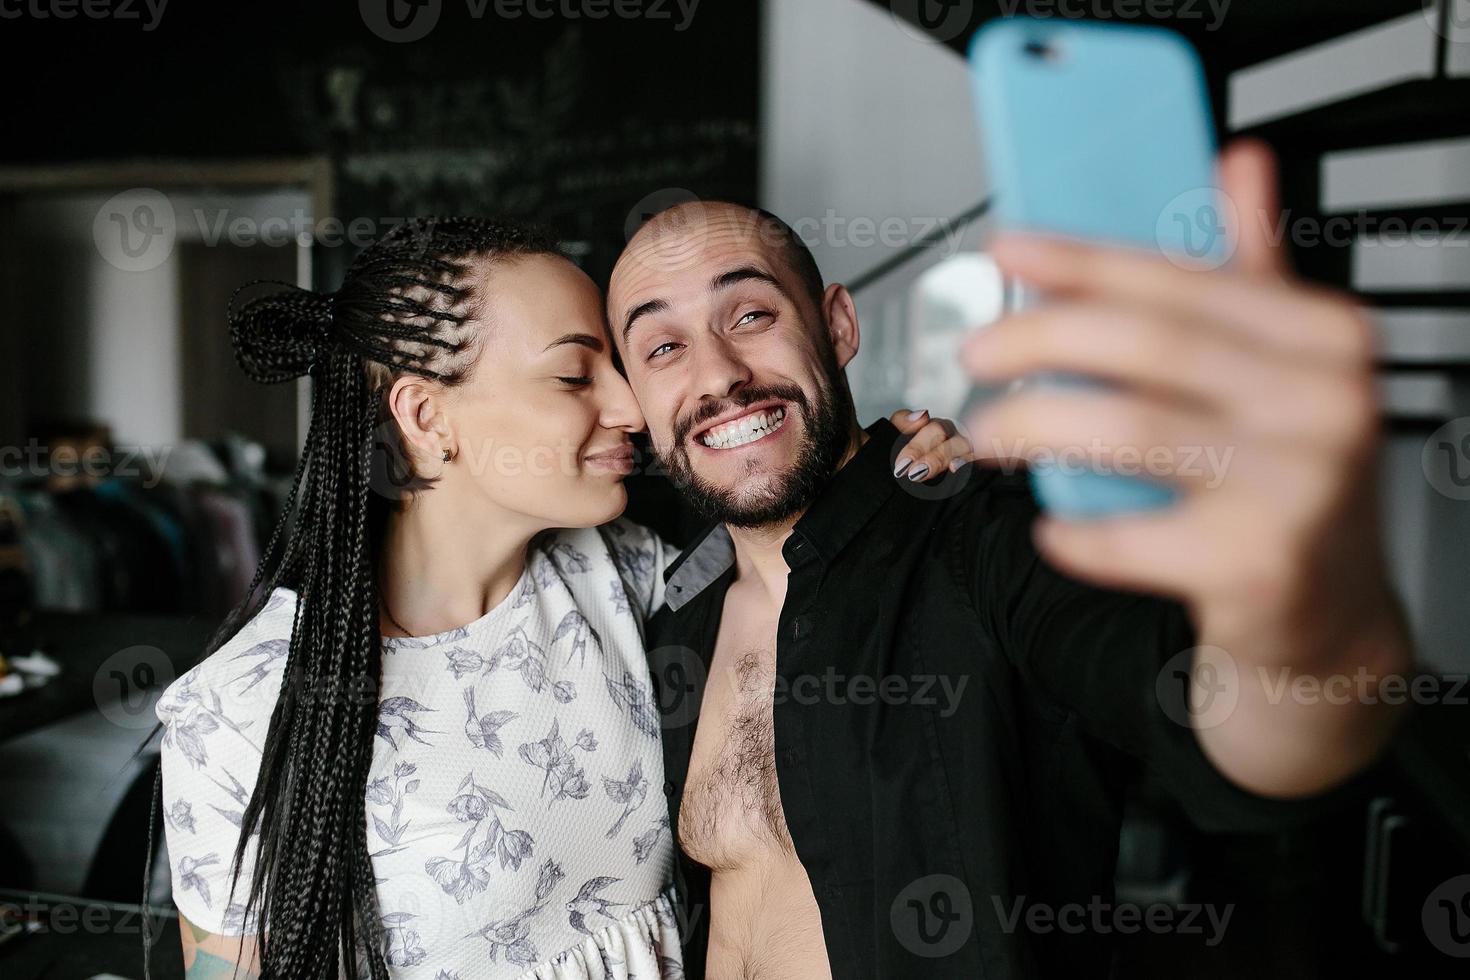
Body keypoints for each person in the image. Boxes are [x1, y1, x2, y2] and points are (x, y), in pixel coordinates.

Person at [604, 139, 1413, 979]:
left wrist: (1303, 595)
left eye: (751, 316)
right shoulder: (669, 608)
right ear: (636, 397)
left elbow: (1245, 726)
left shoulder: (986, 538)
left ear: (837, 325)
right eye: (663, 347)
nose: (719, 375)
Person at [153, 216, 965, 980]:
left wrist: (887, 471)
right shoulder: (240, 709)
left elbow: (808, 575)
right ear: (426, 415)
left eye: (619, 365)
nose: (630, 408)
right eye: (576, 373)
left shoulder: (627, 577)